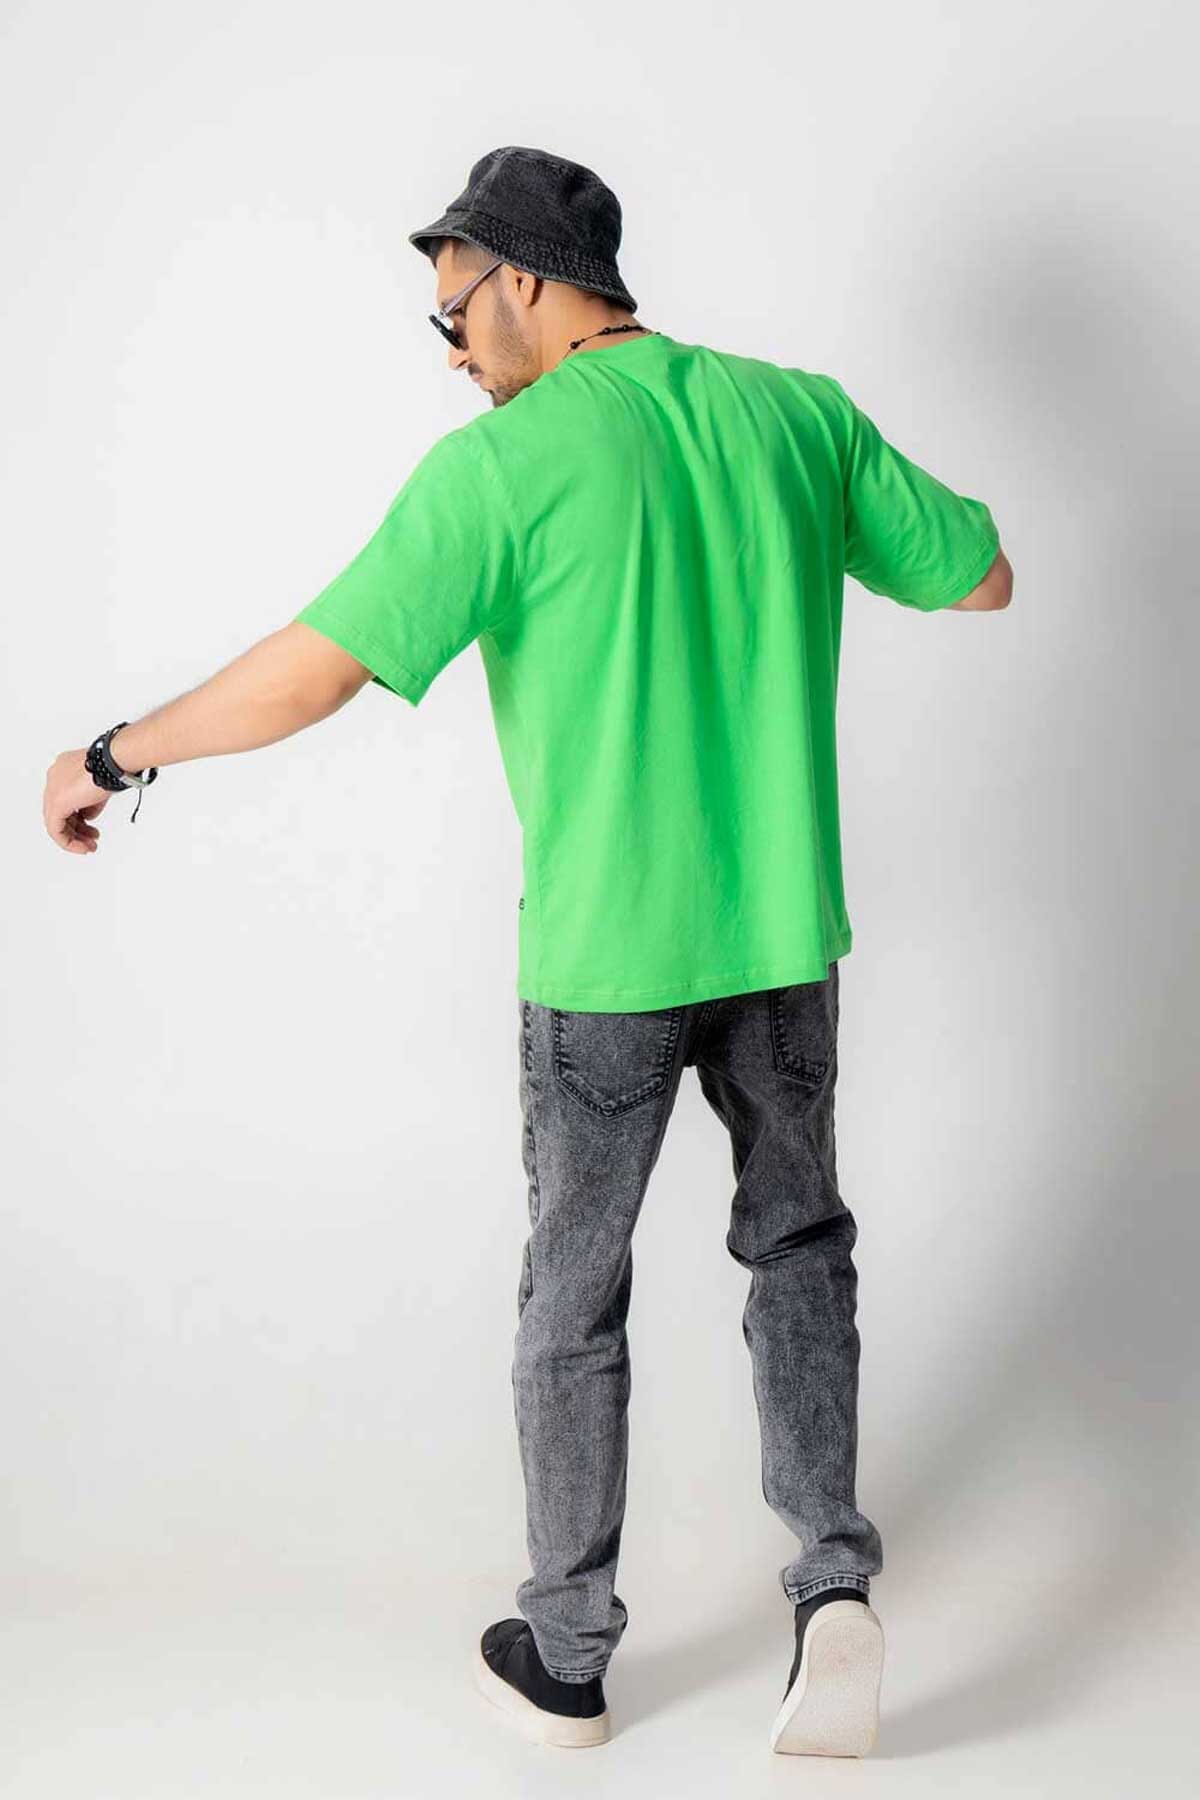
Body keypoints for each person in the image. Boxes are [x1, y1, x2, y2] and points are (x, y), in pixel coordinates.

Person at [42, 145, 1013, 1756]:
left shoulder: (505, 468)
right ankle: (834, 1585)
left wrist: (114, 753)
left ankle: (567, 1656)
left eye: (454, 316)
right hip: (783, 939)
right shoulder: (797, 412)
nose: (450, 355)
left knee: (574, 1292)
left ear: (532, 279)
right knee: (799, 1246)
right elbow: (980, 575)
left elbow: (315, 670)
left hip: (606, 960)